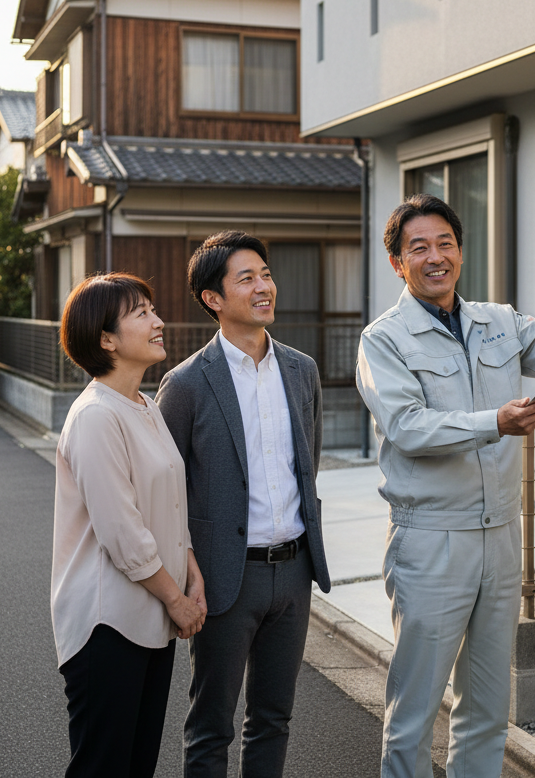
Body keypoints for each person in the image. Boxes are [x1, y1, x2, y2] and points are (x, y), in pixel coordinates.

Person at [356, 194, 535, 778]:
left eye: (445, 244)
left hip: (501, 537)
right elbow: (407, 427)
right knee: (414, 710)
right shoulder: (384, 340)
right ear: (397, 263)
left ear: (460, 251)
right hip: (431, 540)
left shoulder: (497, 320)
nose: (435, 257)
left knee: (485, 708)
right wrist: (496, 423)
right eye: (419, 248)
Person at [155, 230, 331, 778]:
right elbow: (165, 491)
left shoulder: (301, 371)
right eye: (247, 278)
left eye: (267, 275)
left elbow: (309, 462)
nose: (264, 287)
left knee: (274, 719)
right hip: (225, 576)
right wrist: (184, 573)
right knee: (211, 726)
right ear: (213, 298)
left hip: (294, 570)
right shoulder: (184, 384)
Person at [51, 272, 206, 778]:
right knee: (103, 767)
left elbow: (167, 504)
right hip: (107, 621)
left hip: (150, 615)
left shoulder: (144, 406)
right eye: (141, 313)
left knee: (135, 765)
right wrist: (177, 599)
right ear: (106, 338)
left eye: (152, 309)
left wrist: (190, 571)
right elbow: (123, 531)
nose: (158, 321)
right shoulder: (96, 415)